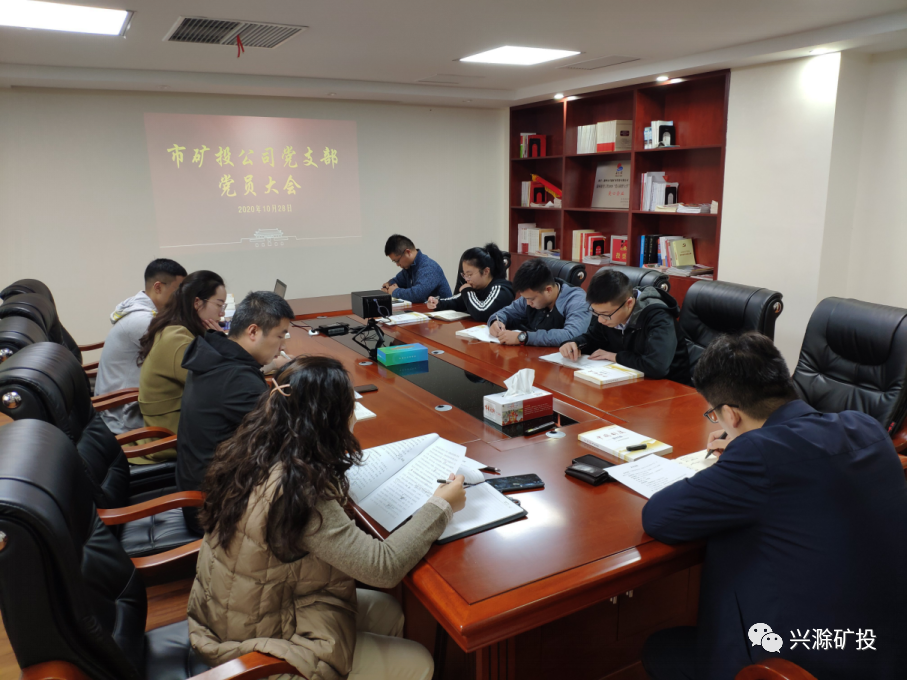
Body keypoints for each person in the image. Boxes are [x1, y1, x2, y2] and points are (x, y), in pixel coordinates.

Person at [641, 332, 907, 680]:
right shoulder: (867, 428)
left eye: (715, 416)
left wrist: (739, 456)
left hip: (801, 664)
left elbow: (659, 517)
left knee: (661, 648)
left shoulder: (758, 454)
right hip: (886, 651)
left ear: (730, 414)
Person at [188, 356, 467, 680]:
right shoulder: (297, 490)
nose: (354, 414)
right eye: (349, 407)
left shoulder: (255, 446)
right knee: (419, 661)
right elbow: (383, 567)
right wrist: (441, 506)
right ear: (326, 421)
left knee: (389, 610)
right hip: (259, 646)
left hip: (236, 612)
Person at [177, 291, 296, 535]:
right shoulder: (238, 380)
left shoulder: (215, 353)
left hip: (200, 482)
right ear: (253, 331)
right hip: (214, 505)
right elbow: (286, 439)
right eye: (280, 336)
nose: (282, 346)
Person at [136, 270, 225, 463]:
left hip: (177, 428)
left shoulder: (176, 328)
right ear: (197, 303)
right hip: (170, 440)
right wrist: (223, 343)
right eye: (219, 305)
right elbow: (221, 383)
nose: (222, 313)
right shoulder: (177, 340)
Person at [94, 259, 187, 434]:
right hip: (124, 416)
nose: (181, 298)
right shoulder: (143, 321)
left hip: (125, 405)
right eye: (177, 291)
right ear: (158, 287)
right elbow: (181, 359)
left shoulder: (140, 310)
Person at [559, 269, 690, 384]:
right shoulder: (605, 311)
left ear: (629, 303)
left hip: (670, 388)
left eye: (605, 315)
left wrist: (614, 356)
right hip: (626, 379)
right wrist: (575, 344)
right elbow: (594, 339)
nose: (600, 320)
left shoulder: (658, 317)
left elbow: (657, 367)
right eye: (595, 312)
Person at [487, 258, 590, 346]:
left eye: (531, 299)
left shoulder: (576, 299)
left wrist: (523, 337)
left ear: (548, 290)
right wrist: (496, 322)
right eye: (525, 298)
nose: (528, 303)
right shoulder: (530, 295)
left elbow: (573, 334)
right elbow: (505, 313)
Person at [426, 243, 514, 322]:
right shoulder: (477, 286)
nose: (466, 279)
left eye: (469, 274)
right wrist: (438, 303)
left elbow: (481, 313)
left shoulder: (501, 289)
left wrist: (467, 291)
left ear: (486, 271)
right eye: (464, 274)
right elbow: (457, 301)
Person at [381, 234, 451, 303]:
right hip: (423, 309)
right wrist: (388, 286)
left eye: (397, 261)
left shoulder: (429, 267)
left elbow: (417, 295)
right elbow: (396, 281)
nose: (397, 264)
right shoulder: (409, 267)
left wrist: (394, 291)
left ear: (408, 252)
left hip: (442, 309)